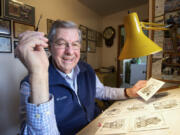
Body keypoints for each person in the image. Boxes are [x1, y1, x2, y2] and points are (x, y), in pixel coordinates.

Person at [16, 20, 146, 135]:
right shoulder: (30, 85)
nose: (70, 51)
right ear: (49, 47)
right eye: (61, 43)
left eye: (75, 44)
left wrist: (129, 92)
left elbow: (101, 91)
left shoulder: (87, 69)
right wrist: (39, 74)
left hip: (98, 125)